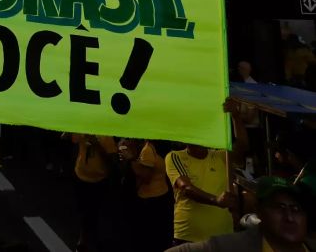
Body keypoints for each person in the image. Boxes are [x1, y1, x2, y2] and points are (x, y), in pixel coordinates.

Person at [165, 100, 248, 245]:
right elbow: (185, 188)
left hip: (222, 237)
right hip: (188, 237)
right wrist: (215, 200)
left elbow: (242, 146)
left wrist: (235, 116)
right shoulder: (175, 157)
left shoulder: (222, 156)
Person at [165, 176, 313, 251]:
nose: (289, 217)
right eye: (279, 207)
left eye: (296, 209)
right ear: (259, 211)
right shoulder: (233, 246)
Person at [119, 138, 173, 252]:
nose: (126, 141)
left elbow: (146, 177)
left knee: (150, 237)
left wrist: (130, 158)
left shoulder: (146, 149)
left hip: (152, 200)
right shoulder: (146, 147)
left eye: (128, 139)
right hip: (158, 196)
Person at [70, 133, 118, 251]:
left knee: (94, 212)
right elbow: (72, 139)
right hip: (80, 176)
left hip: (98, 180)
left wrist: (97, 145)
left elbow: (112, 160)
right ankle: (83, 238)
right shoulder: (82, 130)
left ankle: (91, 239)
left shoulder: (106, 136)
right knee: (83, 210)